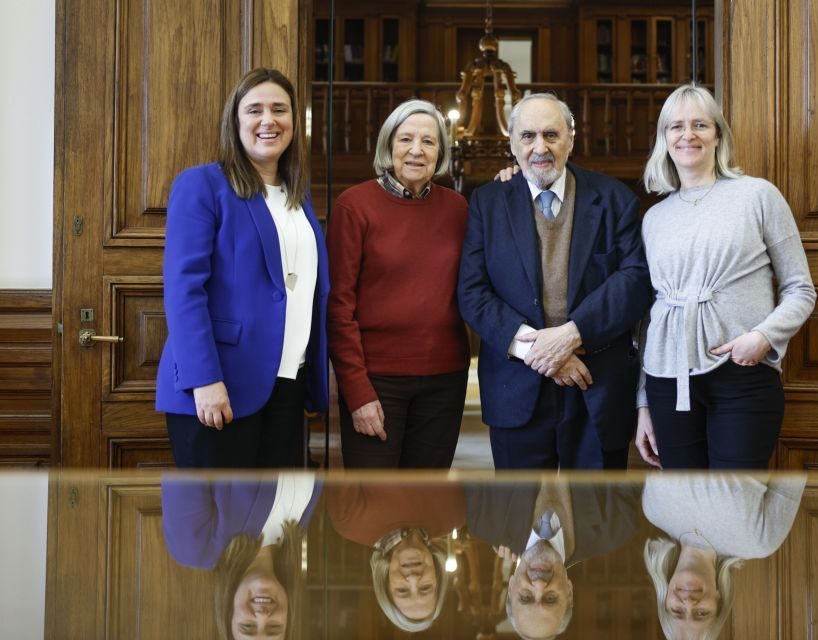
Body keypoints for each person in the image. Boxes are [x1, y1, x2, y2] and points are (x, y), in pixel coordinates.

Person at [458, 92, 653, 469]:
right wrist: (537, 352)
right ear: (512, 143)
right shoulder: (488, 202)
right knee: (517, 521)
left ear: (571, 139)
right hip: (516, 388)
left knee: (597, 520)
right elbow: (472, 292)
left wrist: (571, 335)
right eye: (527, 136)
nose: (539, 147)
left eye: (551, 135)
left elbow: (634, 281)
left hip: (597, 384)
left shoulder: (614, 199)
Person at [634, 84, 816, 470]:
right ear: (664, 139)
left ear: (718, 134)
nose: (688, 135)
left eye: (700, 124)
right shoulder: (654, 218)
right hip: (668, 381)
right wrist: (644, 402)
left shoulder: (757, 196)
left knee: (737, 502)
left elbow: (800, 288)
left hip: (742, 374)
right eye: (676, 126)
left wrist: (763, 337)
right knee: (686, 508)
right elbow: (651, 316)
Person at [155, 68, 329, 467]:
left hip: (286, 385)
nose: (268, 120)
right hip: (220, 387)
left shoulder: (298, 196)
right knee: (218, 526)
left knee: (273, 527)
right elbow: (184, 290)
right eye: (255, 110)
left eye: (279, 110)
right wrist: (204, 379)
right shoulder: (202, 185)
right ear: (235, 122)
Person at [327, 99, 470, 468]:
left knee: (426, 506)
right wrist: (356, 391)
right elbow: (337, 306)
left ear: (440, 153)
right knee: (375, 510)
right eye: (406, 139)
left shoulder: (458, 209)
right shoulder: (353, 206)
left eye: (429, 141)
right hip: (376, 381)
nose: (417, 150)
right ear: (389, 145)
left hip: (445, 380)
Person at [161, 474, 322, 640]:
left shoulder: (193, 548)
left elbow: (186, 456)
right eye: (274, 627)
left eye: (247, 627)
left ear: (229, 612)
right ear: (288, 616)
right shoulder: (295, 531)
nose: (263, 616)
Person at [641, 472, 806, 640]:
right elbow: (795, 467)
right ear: (719, 602)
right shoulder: (759, 543)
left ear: (665, 601)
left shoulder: (654, 509)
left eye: (677, 611)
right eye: (701, 613)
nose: (688, 603)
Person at [466, 480, 639, 640]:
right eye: (550, 599)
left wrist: (500, 531)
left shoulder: (484, 521)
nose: (539, 585)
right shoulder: (617, 526)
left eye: (526, 597)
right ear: (569, 592)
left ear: (511, 587)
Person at [326, 482, 466, 632]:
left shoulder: (350, 521)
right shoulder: (453, 516)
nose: (413, 578)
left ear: (385, 581)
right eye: (425, 587)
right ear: (437, 575)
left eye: (402, 590)